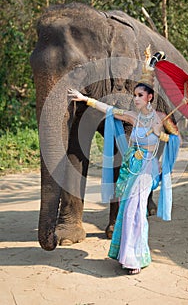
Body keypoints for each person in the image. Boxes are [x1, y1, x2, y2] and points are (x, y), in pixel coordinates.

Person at [68, 46, 180, 275]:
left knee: (135, 210)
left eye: (139, 96)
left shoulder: (160, 118)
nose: (135, 99)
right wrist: (86, 99)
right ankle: (128, 254)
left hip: (147, 170)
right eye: (135, 95)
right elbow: (108, 109)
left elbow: (176, 139)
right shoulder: (133, 116)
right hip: (131, 168)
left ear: (150, 97)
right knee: (128, 209)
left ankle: (133, 258)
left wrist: (162, 136)